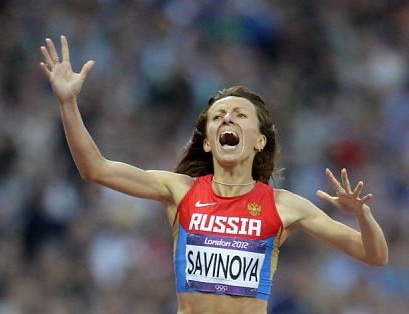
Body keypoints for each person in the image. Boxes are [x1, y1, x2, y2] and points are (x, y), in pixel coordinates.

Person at [39, 36, 388, 314]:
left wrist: (364, 215)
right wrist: (68, 103)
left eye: (240, 115)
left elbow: (374, 255)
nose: (227, 120)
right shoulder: (179, 190)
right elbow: (94, 168)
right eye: (218, 117)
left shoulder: (284, 206)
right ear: (207, 142)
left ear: (259, 140)